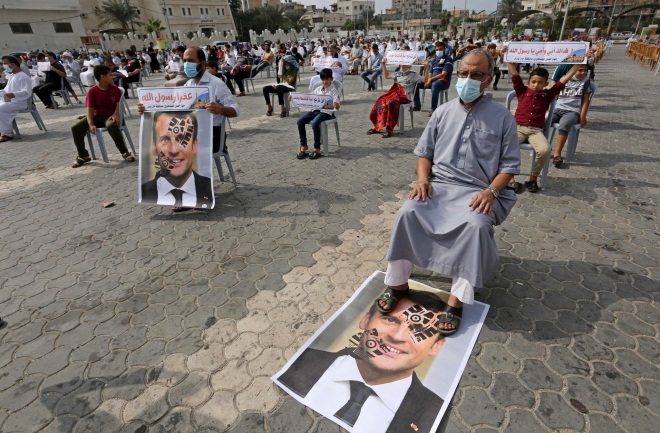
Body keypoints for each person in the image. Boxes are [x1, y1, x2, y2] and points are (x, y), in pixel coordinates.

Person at [379, 50, 521, 336]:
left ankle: (456, 302)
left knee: (476, 225)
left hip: (478, 191)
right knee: (408, 211)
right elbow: (424, 154)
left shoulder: (503, 117)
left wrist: (492, 191)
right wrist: (421, 180)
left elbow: (510, 166)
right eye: (464, 73)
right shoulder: (442, 112)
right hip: (439, 186)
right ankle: (397, 284)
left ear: (489, 79)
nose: (468, 79)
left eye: (476, 75)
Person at [277, 289, 446, 433]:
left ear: (435, 347)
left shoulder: (436, 413)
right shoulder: (303, 360)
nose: (397, 336)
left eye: (419, 331)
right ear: (366, 320)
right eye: (390, 319)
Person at [505, 61, 582, 193]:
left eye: (540, 83)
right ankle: (510, 179)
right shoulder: (522, 91)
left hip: (536, 131)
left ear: (545, 84)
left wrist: (576, 66)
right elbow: (515, 75)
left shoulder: (548, 95)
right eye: (533, 82)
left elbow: (563, 80)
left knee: (545, 150)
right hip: (518, 128)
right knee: (507, 147)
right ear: (529, 81)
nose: (536, 85)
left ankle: (532, 179)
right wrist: (507, 58)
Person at [140, 111, 213, 208]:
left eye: (182, 139)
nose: (174, 150)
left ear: (194, 146)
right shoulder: (144, 192)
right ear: (154, 147)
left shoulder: (208, 188)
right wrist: (145, 109)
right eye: (165, 140)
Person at [70, 65, 135, 168]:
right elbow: (90, 111)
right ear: (102, 77)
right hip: (97, 117)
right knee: (76, 128)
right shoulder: (92, 91)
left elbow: (118, 104)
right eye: (110, 75)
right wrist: (90, 124)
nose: (112, 77)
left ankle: (125, 152)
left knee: (112, 126)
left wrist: (116, 114)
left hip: (109, 116)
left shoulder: (114, 89)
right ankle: (83, 156)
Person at [367, 58, 423, 138]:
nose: (402, 66)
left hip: (405, 96)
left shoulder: (414, 74)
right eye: (401, 64)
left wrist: (427, 67)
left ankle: (389, 128)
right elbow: (387, 76)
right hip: (395, 94)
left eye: (405, 64)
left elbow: (426, 80)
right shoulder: (398, 73)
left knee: (391, 102)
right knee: (381, 101)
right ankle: (377, 126)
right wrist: (384, 64)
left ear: (410, 65)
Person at [551, 64, 593, 168]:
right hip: (558, 109)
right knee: (545, 120)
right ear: (573, 71)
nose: (583, 73)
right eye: (580, 70)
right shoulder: (564, 79)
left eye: (585, 70)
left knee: (564, 124)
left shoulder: (585, 81)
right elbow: (554, 93)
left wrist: (583, 116)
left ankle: (557, 154)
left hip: (572, 111)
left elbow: (585, 100)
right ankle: (540, 148)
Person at [295, 68, 340, 160]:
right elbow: (309, 98)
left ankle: (317, 148)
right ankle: (304, 146)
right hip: (315, 111)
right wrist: (294, 99)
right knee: (300, 121)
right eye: (323, 79)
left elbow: (337, 105)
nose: (325, 81)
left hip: (326, 113)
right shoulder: (318, 89)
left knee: (315, 123)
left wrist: (336, 105)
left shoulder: (333, 91)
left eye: (327, 79)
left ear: (331, 79)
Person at [0, 55, 32, 143]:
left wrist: (13, 95)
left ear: (13, 64)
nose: (4, 66)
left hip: (20, 102)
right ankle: (2, 130)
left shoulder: (23, 76)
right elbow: (7, 90)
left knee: (1, 108)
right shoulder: (12, 76)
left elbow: (26, 92)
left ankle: (7, 133)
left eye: (5, 64)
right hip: (11, 101)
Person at [424, 41, 453, 115]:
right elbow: (430, 73)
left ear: (444, 49)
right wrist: (429, 81)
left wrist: (430, 80)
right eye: (437, 50)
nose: (438, 51)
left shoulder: (448, 59)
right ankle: (416, 104)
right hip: (433, 81)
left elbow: (443, 74)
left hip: (443, 82)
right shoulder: (434, 60)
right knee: (418, 84)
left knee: (435, 85)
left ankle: (434, 109)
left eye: (440, 49)